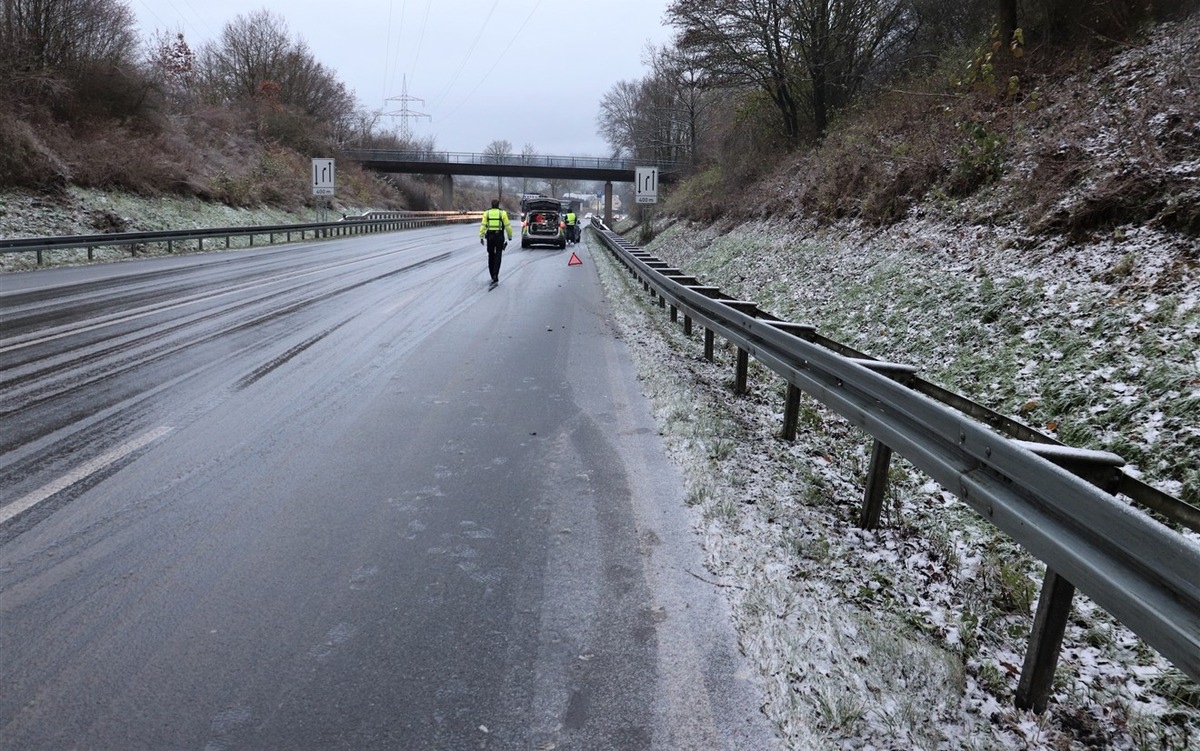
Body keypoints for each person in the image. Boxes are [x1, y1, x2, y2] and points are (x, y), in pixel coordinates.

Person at [478, 199, 512, 285]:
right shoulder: (502, 213)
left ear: (491, 205)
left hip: (490, 237)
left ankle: (491, 273)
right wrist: (509, 236)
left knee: (491, 255)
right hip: (499, 236)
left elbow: (483, 225)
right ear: (498, 205)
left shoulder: (487, 213)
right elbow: (508, 226)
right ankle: (495, 274)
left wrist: (481, 237)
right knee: (498, 255)